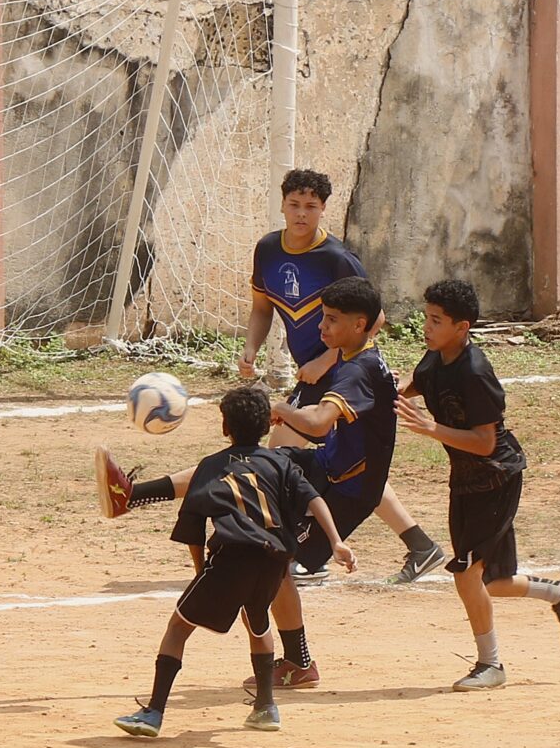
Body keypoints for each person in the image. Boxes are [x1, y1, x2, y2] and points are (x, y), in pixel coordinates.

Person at [99, 276, 434, 689]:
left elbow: (317, 423)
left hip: (346, 491)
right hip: (328, 465)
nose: (322, 327)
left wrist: (280, 408)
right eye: (323, 317)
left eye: (331, 319)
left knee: (276, 562)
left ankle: (298, 662)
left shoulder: (357, 370)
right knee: (238, 464)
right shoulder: (358, 355)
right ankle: (131, 495)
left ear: (360, 324)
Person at [114, 387, 355, 737]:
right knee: (258, 625)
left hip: (232, 558)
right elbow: (313, 498)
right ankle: (266, 708)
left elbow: (193, 528)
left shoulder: (211, 467)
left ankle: (153, 712)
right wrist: (336, 541)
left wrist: (202, 572)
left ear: (225, 427)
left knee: (179, 627)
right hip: (274, 561)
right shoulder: (280, 462)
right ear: (266, 426)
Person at [240, 169, 443, 583]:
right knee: (349, 466)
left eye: (310, 207)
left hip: (344, 371)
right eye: (294, 205)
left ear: (323, 210)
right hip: (315, 374)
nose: (301, 214)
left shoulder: (337, 258)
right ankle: (419, 545)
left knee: (280, 455)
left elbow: (375, 317)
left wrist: (326, 360)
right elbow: (262, 308)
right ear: (282, 205)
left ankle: (294, 548)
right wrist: (251, 347)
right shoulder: (267, 250)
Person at [393, 278, 560, 692]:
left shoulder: (476, 372)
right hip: (465, 482)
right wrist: (390, 389)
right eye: (427, 318)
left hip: (495, 478)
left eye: (436, 321)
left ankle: (490, 665)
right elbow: (418, 383)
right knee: (492, 582)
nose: (427, 327)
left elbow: (484, 442)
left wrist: (431, 428)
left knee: (466, 574)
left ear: (461, 328)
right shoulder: (435, 357)